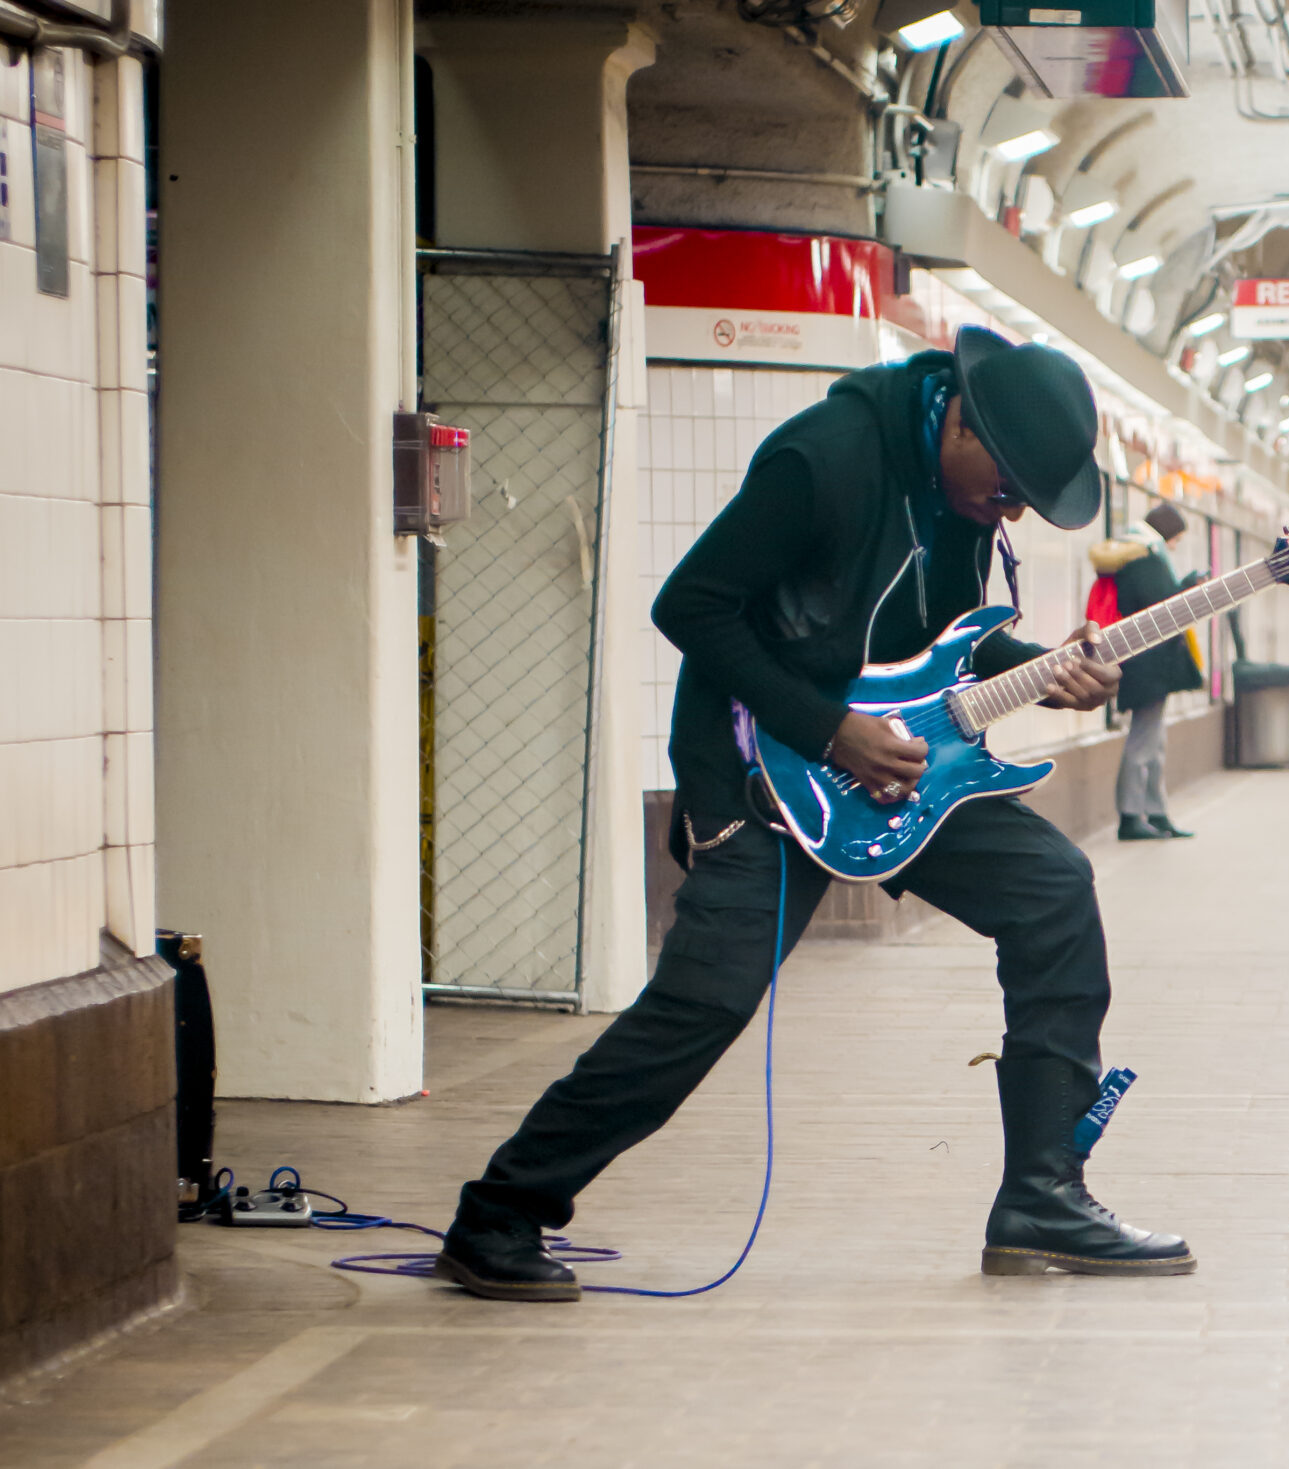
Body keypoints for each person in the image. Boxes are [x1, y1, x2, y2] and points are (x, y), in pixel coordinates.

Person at [435, 327, 1195, 1301]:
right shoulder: (826, 458)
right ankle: (498, 1213)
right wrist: (829, 730)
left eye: (1025, 503)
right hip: (763, 766)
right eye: (1007, 487)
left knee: (1053, 889)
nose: (1008, 510)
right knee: (704, 1004)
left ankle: (1042, 1197)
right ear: (962, 422)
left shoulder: (963, 501)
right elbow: (691, 607)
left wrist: (1047, 671)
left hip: (897, 768)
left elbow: (941, 650)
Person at [1090, 502, 1204, 841]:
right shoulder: (1146, 558)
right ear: (1165, 532)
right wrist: (1188, 586)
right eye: (1176, 538)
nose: (1175, 546)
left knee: (1154, 741)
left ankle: (1155, 812)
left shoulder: (1133, 556)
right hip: (1148, 666)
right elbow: (1162, 608)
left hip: (1142, 665)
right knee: (1143, 742)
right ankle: (1131, 815)